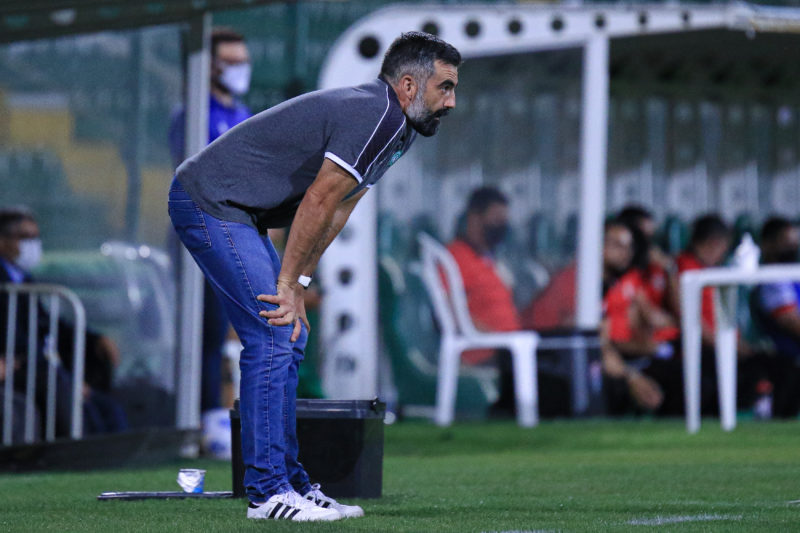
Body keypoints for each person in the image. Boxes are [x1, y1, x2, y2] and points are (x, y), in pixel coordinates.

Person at [169, 32, 460, 521]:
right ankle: (267, 494)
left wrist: (298, 286)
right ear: (409, 85)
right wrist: (285, 286)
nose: (452, 101)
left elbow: (341, 209)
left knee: (290, 333)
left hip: (238, 212)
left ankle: (290, 482)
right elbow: (319, 200)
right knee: (270, 332)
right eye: (445, 87)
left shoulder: (400, 125)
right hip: (209, 202)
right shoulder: (381, 116)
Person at [168, 28, 253, 417]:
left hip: (238, 233)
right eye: (232, 62)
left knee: (226, 330)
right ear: (211, 66)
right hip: (201, 236)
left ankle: (222, 415)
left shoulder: (243, 114)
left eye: (243, 61)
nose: (240, 70)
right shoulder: (192, 115)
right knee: (202, 331)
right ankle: (197, 417)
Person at [0, 207, 127, 436]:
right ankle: (75, 455)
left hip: (31, 363)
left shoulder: (23, 278)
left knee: (107, 407)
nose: (33, 245)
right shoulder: (6, 282)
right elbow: (16, 334)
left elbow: (46, 324)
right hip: (16, 365)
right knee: (55, 382)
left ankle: (117, 457)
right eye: (25, 238)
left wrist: (95, 339)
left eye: (35, 237)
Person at [750, 216, 800, 417]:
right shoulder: (772, 280)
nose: (791, 247)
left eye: (793, 242)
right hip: (782, 351)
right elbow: (792, 322)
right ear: (767, 245)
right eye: (784, 242)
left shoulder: (794, 274)